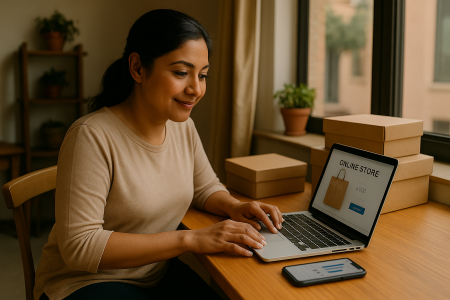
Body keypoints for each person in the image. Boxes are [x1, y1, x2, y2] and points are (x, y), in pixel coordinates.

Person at [35, 9, 283, 300]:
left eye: (202, 75)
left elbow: (204, 187)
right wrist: (189, 239)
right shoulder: (91, 136)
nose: (196, 89)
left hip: (153, 274)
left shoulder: (182, 127)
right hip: (83, 283)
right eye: (181, 73)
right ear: (138, 68)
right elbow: (80, 246)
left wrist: (233, 206)